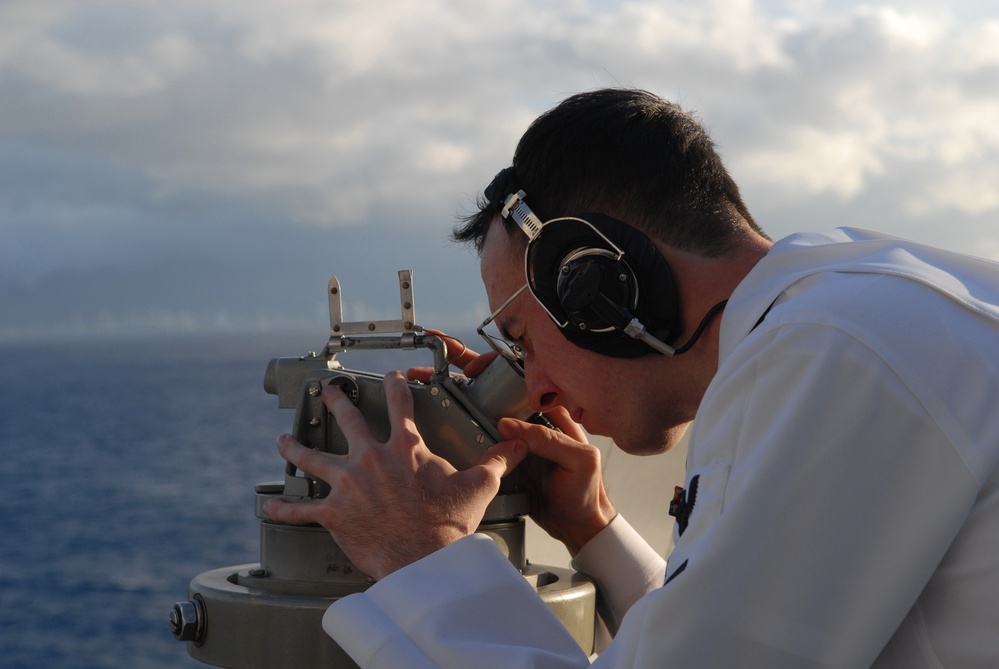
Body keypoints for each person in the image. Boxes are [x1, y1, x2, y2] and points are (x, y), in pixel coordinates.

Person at [264, 88, 999, 667]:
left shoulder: (835, 355)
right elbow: (721, 642)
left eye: (523, 338)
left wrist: (421, 553)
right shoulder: (850, 307)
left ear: (600, 288)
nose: (539, 388)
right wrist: (593, 530)